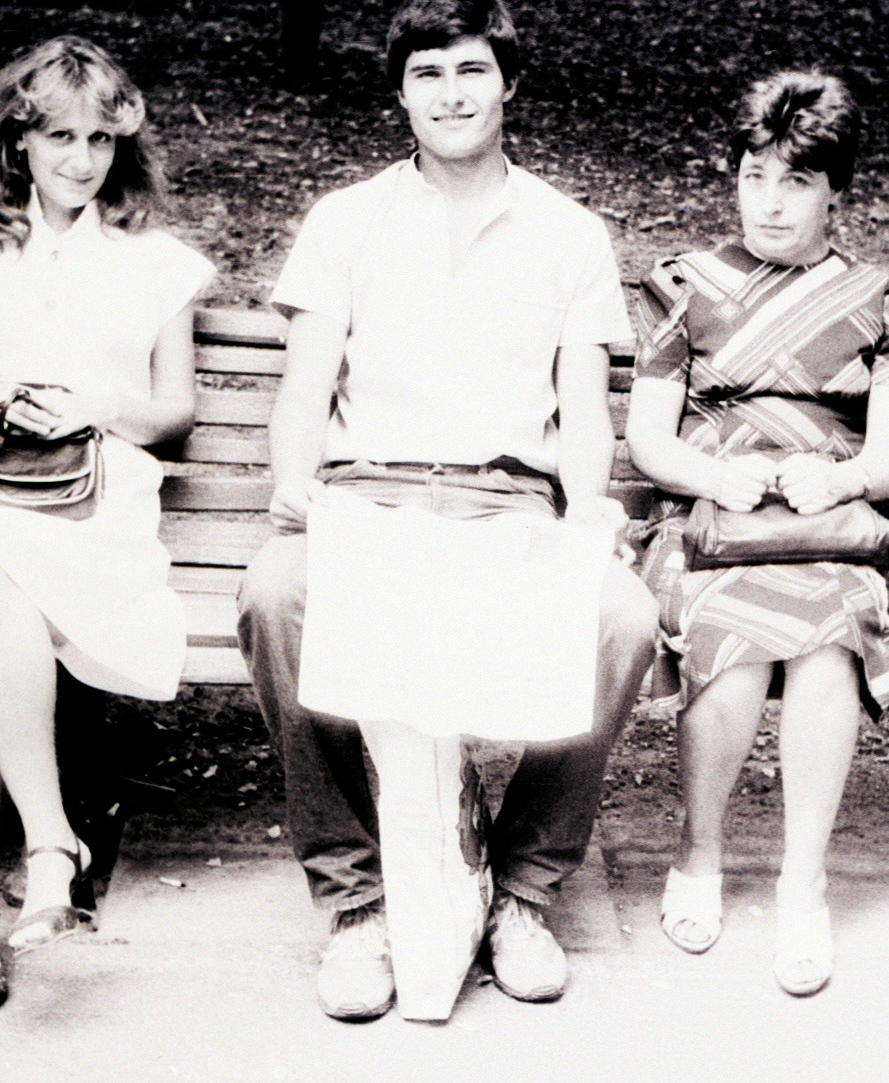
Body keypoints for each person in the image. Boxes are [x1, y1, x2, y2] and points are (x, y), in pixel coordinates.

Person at [236, 0, 657, 1020]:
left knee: (621, 619)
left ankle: (522, 891)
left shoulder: (566, 230)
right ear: (401, 92)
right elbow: (304, 385)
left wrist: (586, 512)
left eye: (471, 69)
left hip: (505, 500)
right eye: (429, 74)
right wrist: (295, 482)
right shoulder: (347, 219)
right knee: (274, 597)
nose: (453, 92)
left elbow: (583, 404)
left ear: (507, 81)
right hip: (367, 496)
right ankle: (357, 901)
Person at [0, 36, 214, 1020]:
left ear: (123, 145)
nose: (80, 159)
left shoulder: (158, 266)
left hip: (97, 490)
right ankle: (48, 846)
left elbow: (172, 413)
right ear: (17, 142)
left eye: (99, 140)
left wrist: (94, 410)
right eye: (58, 138)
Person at [625, 70, 889, 997]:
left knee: (831, 637)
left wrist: (835, 475)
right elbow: (646, 435)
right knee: (734, 632)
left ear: (836, 188)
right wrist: (718, 474)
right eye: (752, 176)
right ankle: (699, 851)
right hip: (710, 525)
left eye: (793, 182)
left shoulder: (883, 297)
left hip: (830, 529)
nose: (768, 201)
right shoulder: (685, 285)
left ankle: (803, 883)